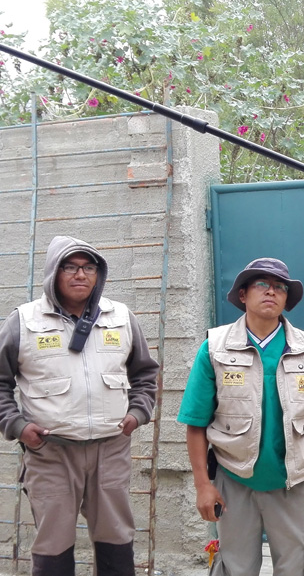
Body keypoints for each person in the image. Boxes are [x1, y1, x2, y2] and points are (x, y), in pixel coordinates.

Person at [0, 235, 159, 576]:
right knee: (53, 543)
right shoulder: (24, 321)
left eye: (88, 267)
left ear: (98, 275)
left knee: (116, 537)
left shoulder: (121, 317)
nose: (80, 275)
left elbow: (146, 373)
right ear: (53, 273)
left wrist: (137, 413)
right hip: (50, 452)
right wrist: (18, 426)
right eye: (70, 267)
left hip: (111, 449)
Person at [178, 257, 304, 576]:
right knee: (235, 567)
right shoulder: (215, 349)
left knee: (297, 567)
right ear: (243, 294)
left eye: (280, 287)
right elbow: (196, 422)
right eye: (262, 285)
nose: (272, 292)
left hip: (293, 483)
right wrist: (203, 484)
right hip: (234, 481)